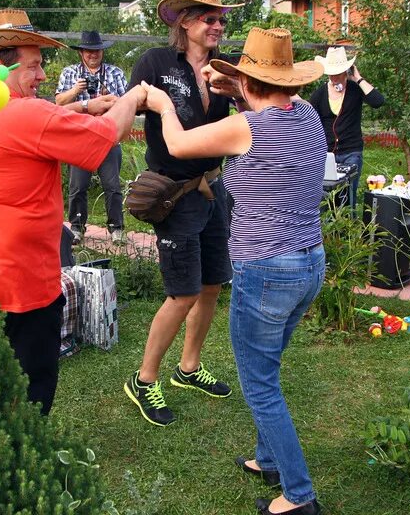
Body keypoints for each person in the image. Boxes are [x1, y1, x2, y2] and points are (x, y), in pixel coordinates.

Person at [145, 27, 326, 515]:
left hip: (266, 270)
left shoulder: (247, 129)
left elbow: (180, 145)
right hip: (309, 262)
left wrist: (163, 107)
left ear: (247, 82)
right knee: (270, 367)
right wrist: (242, 93)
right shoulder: (308, 115)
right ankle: (269, 458)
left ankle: (299, 496)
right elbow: (268, 111)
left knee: (261, 385)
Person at [0, 9, 146, 415]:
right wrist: (134, 98)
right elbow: (110, 134)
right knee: (31, 393)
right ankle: (25, 465)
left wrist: (86, 108)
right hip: (23, 285)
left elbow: (34, 127)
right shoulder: (26, 113)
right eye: (34, 65)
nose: (41, 76)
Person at [123, 0, 243, 427]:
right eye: (210, 19)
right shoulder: (155, 62)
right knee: (182, 292)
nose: (218, 26)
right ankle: (144, 378)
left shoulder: (224, 69)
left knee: (212, 284)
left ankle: (188, 368)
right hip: (174, 195)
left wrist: (234, 90)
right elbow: (127, 106)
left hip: (214, 188)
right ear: (187, 22)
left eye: (221, 19)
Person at [55, 31, 129, 244]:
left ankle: (117, 229)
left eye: (96, 50)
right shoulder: (70, 73)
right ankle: (77, 227)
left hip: (108, 133)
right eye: (88, 51)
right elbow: (59, 103)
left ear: (102, 51)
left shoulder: (114, 73)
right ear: (81, 53)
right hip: (79, 136)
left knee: (112, 185)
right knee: (78, 186)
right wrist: (76, 91)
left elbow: (126, 103)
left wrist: (107, 97)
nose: (93, 54)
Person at [310, 47, 384, 208]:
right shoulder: (319, 94)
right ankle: (329, 233)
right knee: (326, 200)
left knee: (348, 199)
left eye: (338, 72)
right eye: (331, 72)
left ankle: (347, 232)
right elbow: (310, 120)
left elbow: (378, 101)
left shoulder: (356, 90)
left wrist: (358, 78)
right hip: (327, 154)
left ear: (346, 71)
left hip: (352, 152)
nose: (334, 77)